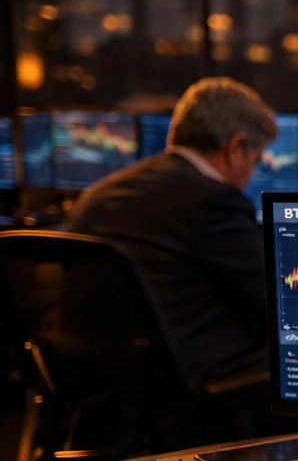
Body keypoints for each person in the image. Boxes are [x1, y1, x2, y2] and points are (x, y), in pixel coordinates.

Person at [68, 77, 276, 387]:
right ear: (235, 147)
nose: (250, 175)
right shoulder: (213, 201)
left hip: (95, 381)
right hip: (189, 391)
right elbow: (272, 299)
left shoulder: (97, 194)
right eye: (255, 161)